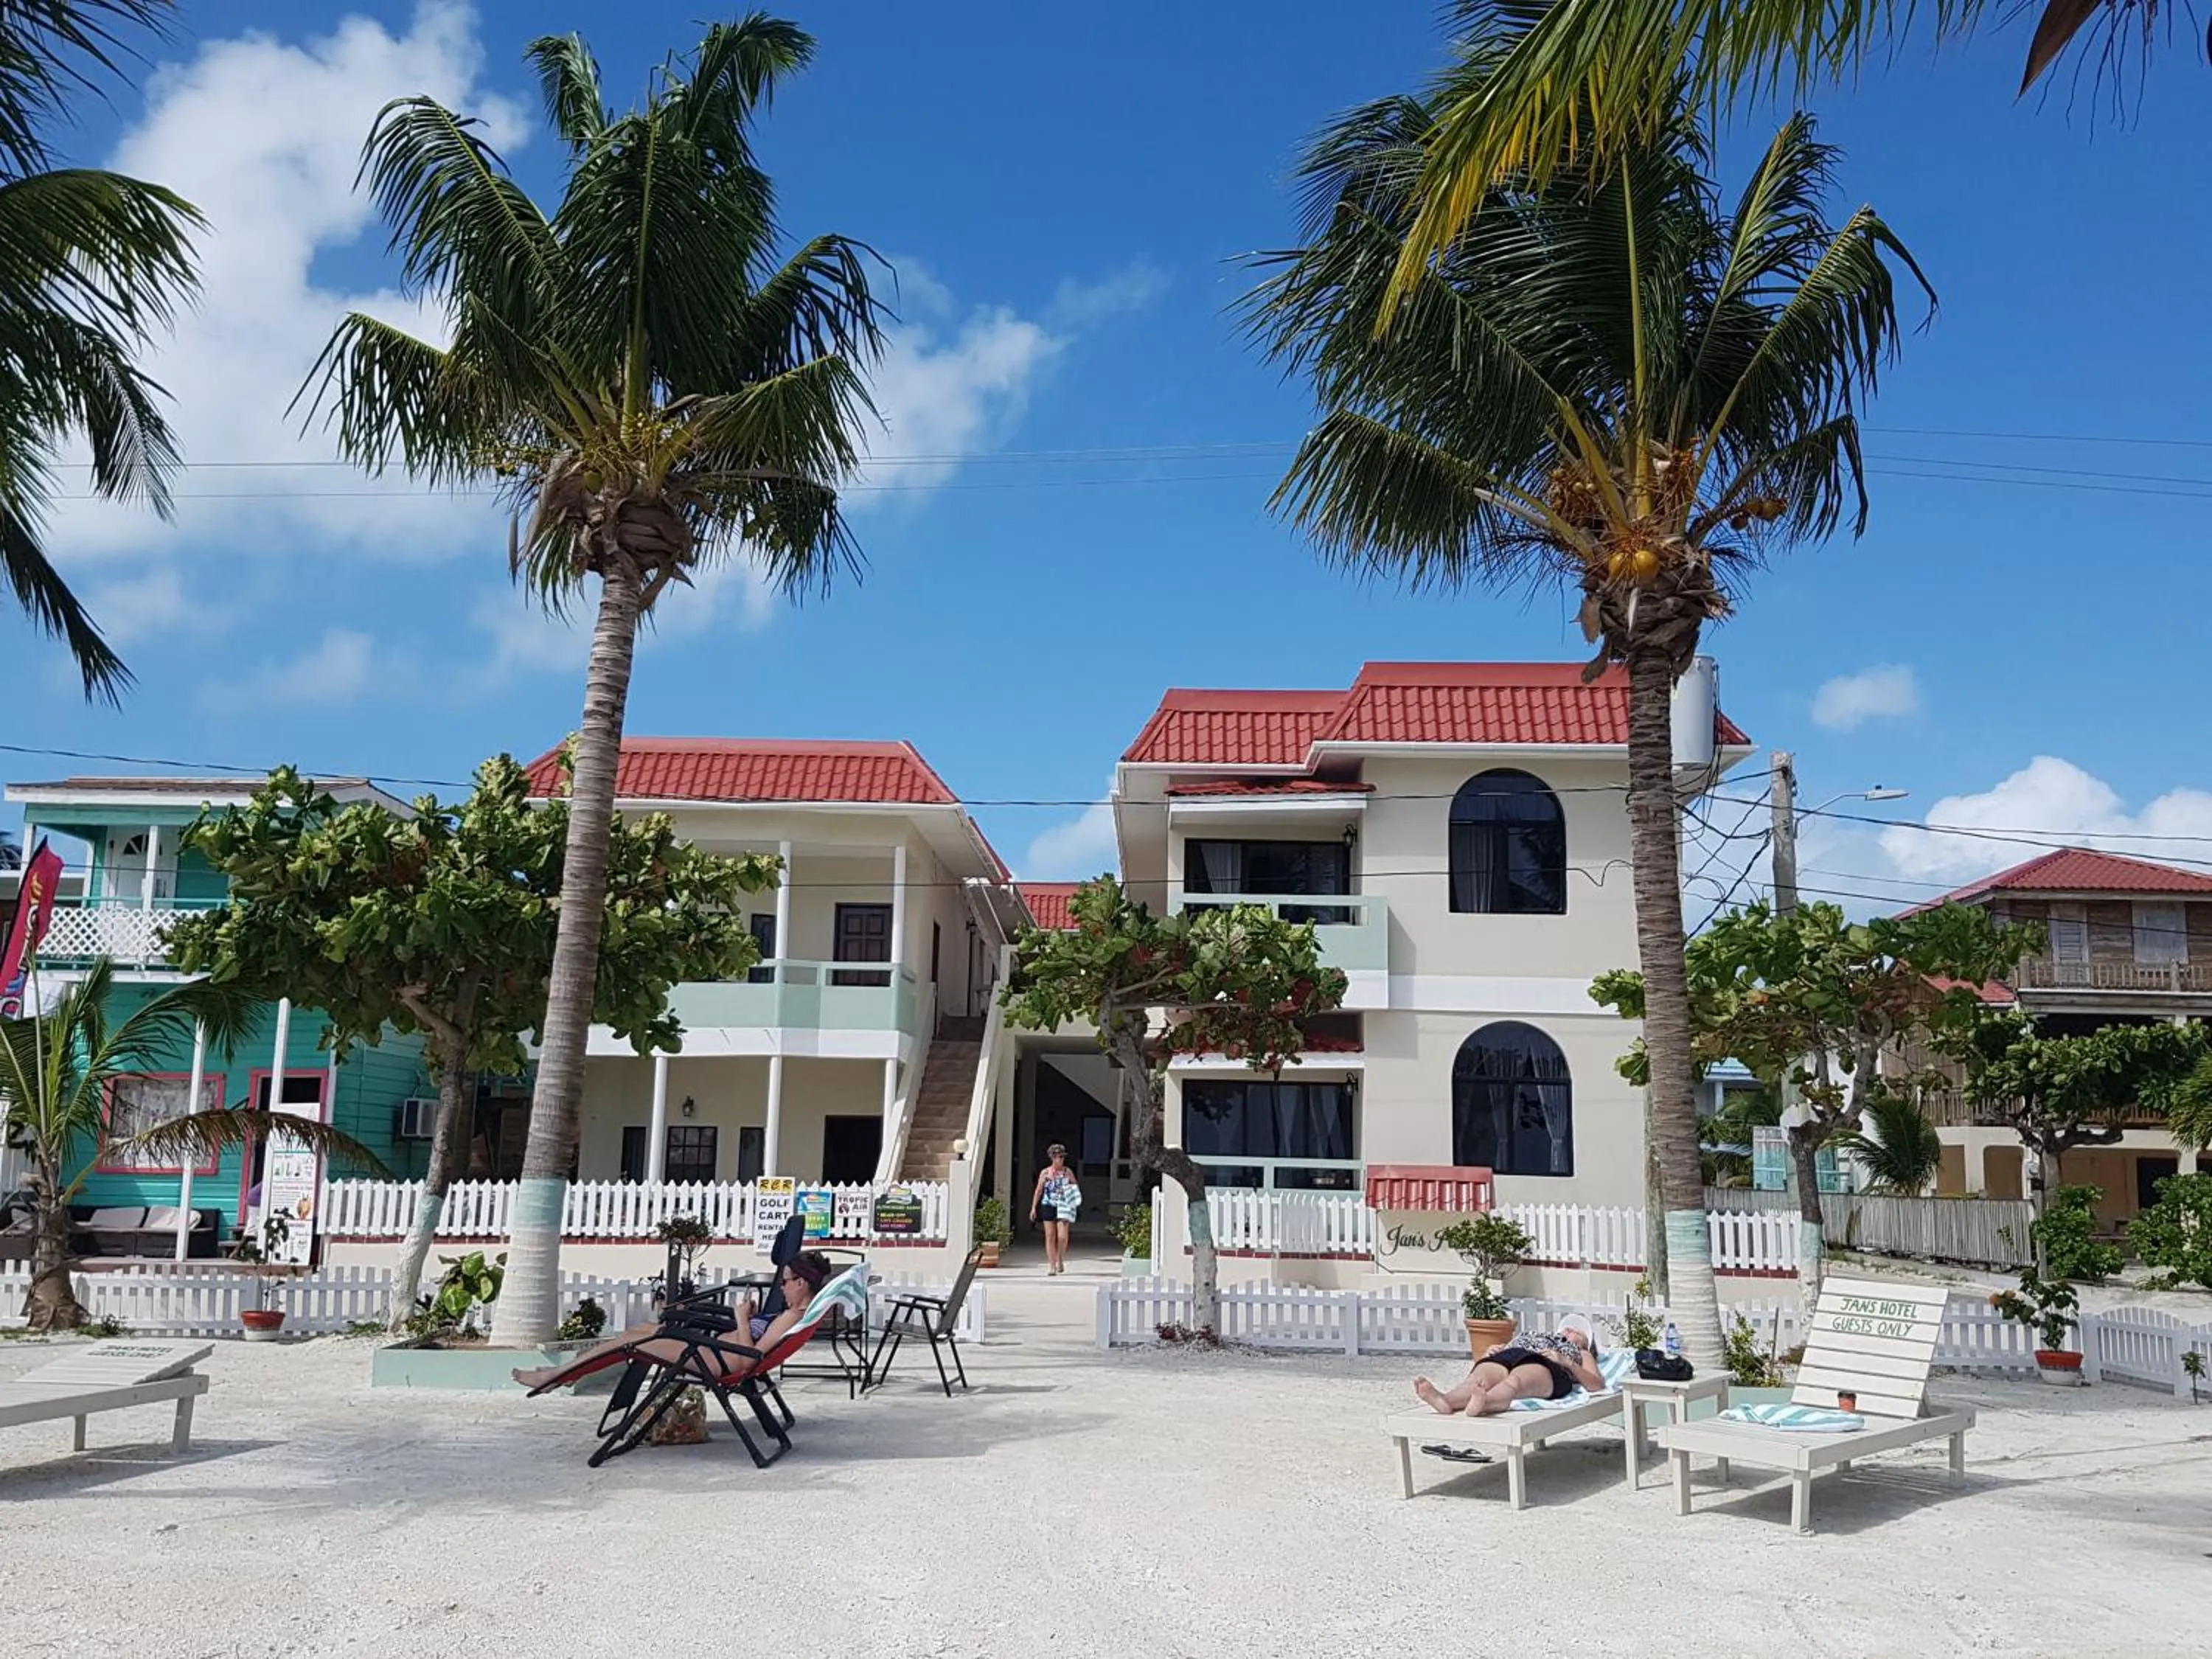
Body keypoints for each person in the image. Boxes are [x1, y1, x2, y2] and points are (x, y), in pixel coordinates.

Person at [514, 1251, 835, 1390]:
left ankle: (555, 1376)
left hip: (714, 1360)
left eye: (786, 1280)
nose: (781, 1285)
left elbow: (749, 1362)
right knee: (642, 1330)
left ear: (800, 1284)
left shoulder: (791, 1317)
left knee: (633, 1341)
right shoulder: (795, 1315)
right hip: (712, 1351)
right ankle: (566, 1373)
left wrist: (741, 1319)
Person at [1412, 1324, 1603, 1416]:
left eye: (1576, 1332)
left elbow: (1596, 1384)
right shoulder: (1542, 1335)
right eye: (1568, 1328)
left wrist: (1567, 1362)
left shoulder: (1581, 1352)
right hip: (1512, 1353)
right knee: (1477, 1380)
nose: (1569, 1330)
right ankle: (1446, 1401)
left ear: (1587, 1343)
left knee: (1514, 1383)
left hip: (1546, 1365)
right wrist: (1492, 1351)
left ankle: (1485, 1402)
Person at [1029, 1144, 1082, 1276]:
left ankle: (1060, 1258)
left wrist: (1072, 1196)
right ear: (1052, 1158)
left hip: (1064, 1206)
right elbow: (1039, 1190)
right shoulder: (1045, 1173)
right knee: (1050, 1236)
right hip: (1048, 1204)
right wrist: (1033, 1207)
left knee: (1062, 1236)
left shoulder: (1067, 1172)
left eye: (1062, 1157)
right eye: (1058, 1157)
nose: (1060, 1160)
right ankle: (1052, 1265)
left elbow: (1075, 1187)